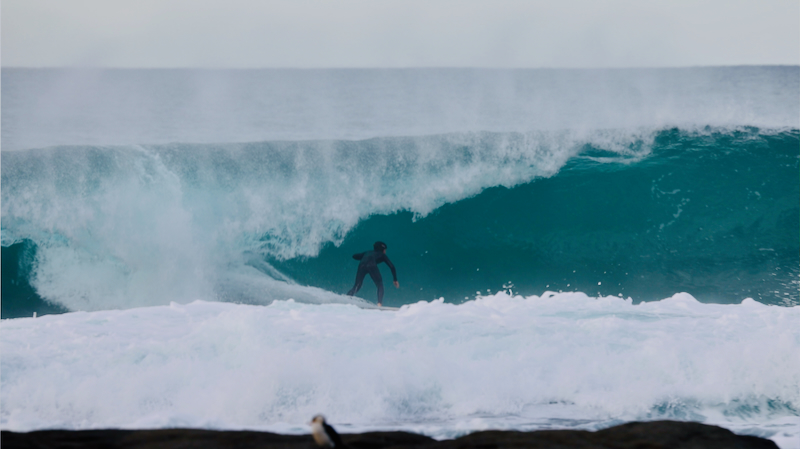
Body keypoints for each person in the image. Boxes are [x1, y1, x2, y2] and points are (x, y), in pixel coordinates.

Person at [346, 241, 399, 306]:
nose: (385, 252)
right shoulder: (382, 255)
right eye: (385, 250)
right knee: (379, 284)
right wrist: (395, 279)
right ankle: (379, 304)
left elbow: (354, 256)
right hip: (371, 265)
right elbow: (392, 266)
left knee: (357, 286)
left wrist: (363, 256)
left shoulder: (367, 252)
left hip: (361, 265)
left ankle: (346, 298)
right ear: (382, 249)